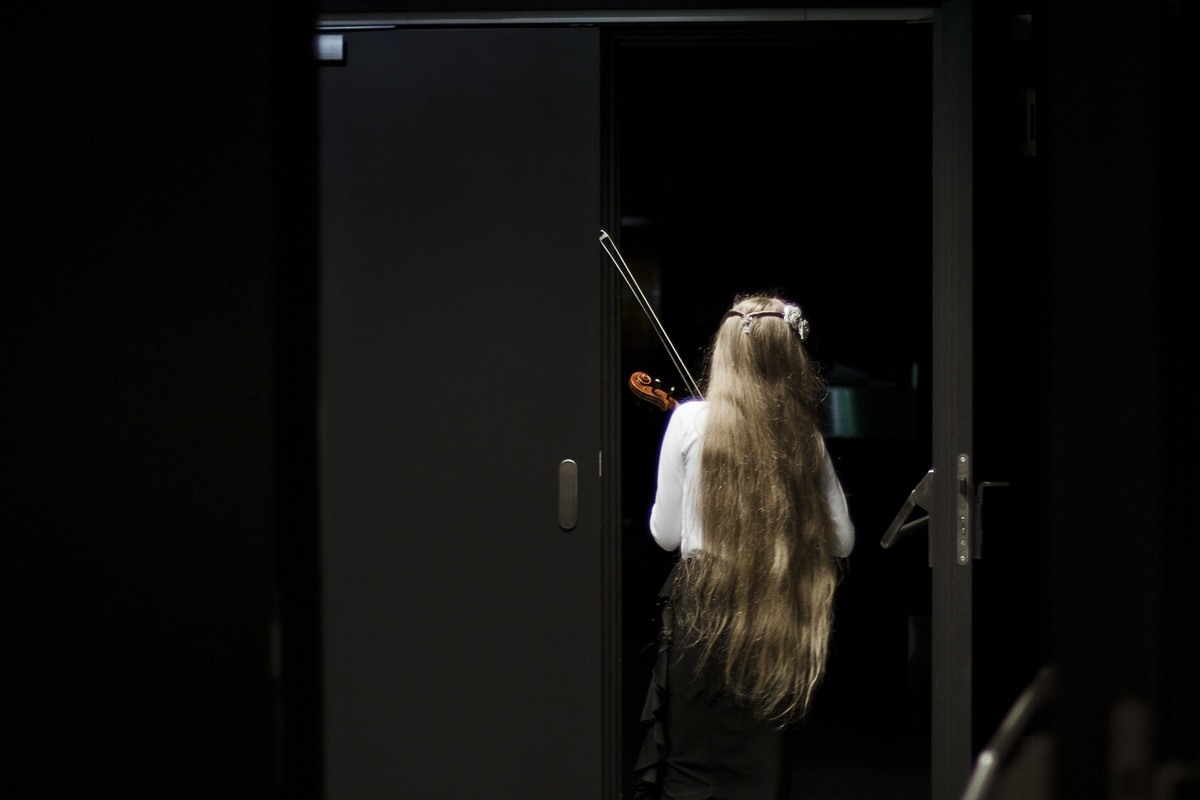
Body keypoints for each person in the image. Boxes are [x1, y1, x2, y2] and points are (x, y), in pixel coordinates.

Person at [633, 294, 855, 800]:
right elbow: (842, 541)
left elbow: (665, 535)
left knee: (691, 772)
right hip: (773, 618)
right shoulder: (804, 437)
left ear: (725, 353)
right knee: (760, 774)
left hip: (701, 614)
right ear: (792, 359)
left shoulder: (689, 421)